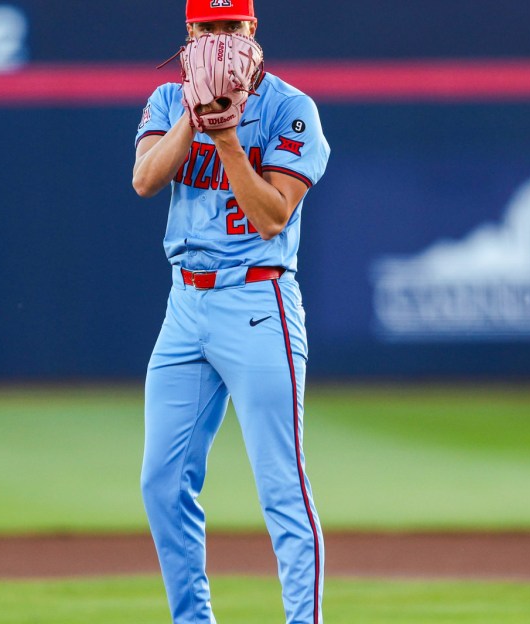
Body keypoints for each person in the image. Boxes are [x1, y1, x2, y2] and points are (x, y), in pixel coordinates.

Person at [131, 1, 330, 623]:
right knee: (162, 484)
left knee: (282, 488)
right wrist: (196, 120)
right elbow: (144, 180)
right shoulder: (168, 100)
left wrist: (229, 142)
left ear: (253, 31)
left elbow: (273, 216)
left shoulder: (292, 107)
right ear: (189, 33)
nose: (220, 38)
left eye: (231, 26)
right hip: (185, 304)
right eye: (207, 28)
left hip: (257, 300)